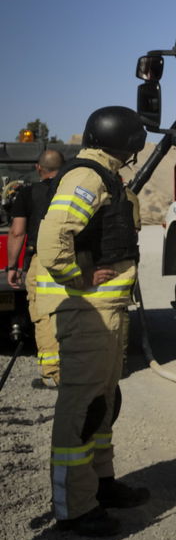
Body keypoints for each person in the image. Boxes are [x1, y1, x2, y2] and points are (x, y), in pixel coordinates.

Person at [34, 106, 150, 537]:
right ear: (125, 143)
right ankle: (75, 509)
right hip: (87, 312)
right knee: (81, 409)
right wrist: (77, 277)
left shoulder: (106, 176)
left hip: (105, 312)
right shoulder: (87, 177)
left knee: (102, 404)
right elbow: (52, 240)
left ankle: (101, 485)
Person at [6, 148, 66, 387]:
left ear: (38, 168)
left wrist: (12, 266)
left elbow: (17, 232)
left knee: (44, 316)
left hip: (42, 262)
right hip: (73, 259)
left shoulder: (28, 193)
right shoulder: (72, 191)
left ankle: (52, 373)